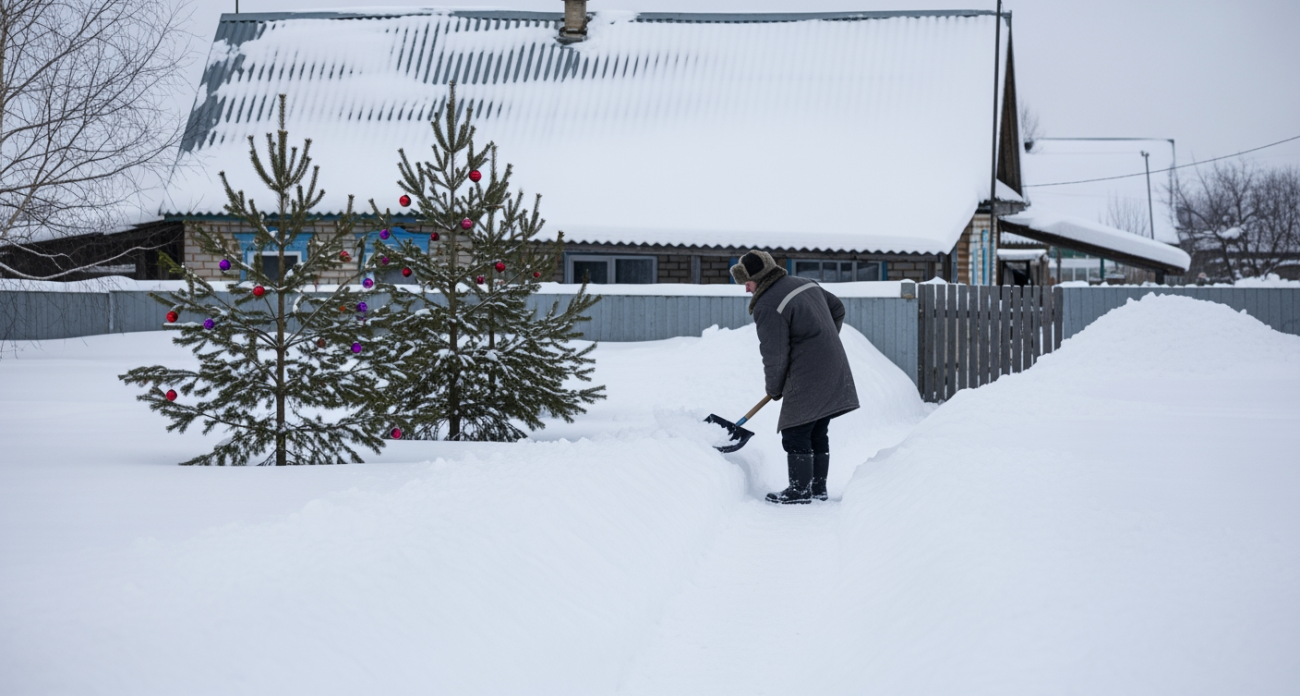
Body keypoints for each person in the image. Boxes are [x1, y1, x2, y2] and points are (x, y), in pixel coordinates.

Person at [730, 250, 859, 504]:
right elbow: (838, 308)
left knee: (795, 431)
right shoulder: (805, 284)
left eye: (747, 282)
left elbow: (775, 354)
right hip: (832, 364)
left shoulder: (767, 304)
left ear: (759, 277)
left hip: (807, 372)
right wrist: (823, 340)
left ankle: (800, 491)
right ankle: (817, 489)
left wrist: (775, 387)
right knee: (818, 427)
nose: (746, 289)